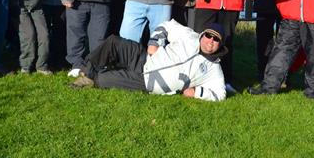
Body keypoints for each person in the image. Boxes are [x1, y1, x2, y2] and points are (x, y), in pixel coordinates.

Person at [71, 20, 227, 102]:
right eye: (209, 36)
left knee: (104, 79)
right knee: (113, 42)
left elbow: (220, 94)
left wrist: (197, 92)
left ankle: (96, 77)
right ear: (203, 35)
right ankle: (86, 73)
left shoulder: (214, 69)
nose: (210, 41)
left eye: (215, 39)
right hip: (145, 58)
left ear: (220, 44)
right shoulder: (189, 35)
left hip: (150, 82)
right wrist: (154, 42)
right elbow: (167, 25)